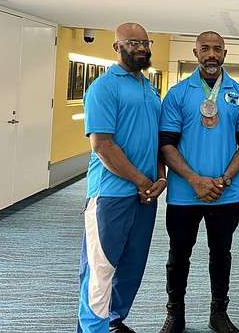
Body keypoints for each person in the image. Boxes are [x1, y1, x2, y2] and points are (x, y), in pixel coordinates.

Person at [158, 31, 239, 333]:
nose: (211, 54)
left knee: (221, 255)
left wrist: (224, 180)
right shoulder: (178, 94)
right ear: (195, 53)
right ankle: (175, 313)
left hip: (225, 195)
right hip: (183, 194)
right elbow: (166, 144)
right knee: (178, 255)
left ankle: (219, 312)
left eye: (217, 49)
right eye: (205, 49)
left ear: (225, 54)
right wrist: (195, 180)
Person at [78, 23, 165, 333]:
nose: (140, 48)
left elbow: (157, 139)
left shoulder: (150, 88)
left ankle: (114, 322)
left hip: (145, 196)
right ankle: (94, 329)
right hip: (111, 193)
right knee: (101, 267)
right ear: (117, 47)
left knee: (131, 267)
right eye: (132, 43)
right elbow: (102, 144)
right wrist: (142, 182)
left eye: (145, 42)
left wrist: (159, 178)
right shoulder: (104, 87)